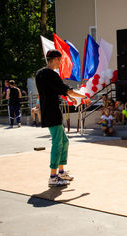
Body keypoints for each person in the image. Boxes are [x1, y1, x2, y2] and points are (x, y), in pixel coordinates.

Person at [35, 49, 91, 187]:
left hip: (48, 111)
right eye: (59, 60)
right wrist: (84, 97)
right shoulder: (51, 74)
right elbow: (67, 90)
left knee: (64, 142)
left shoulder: (40, 74)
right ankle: (53, 177)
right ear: (54, 59)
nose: (60, 63)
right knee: (57, 143)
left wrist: (69, 95)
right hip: (52, 112)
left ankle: (61, 172)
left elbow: (55, 90)